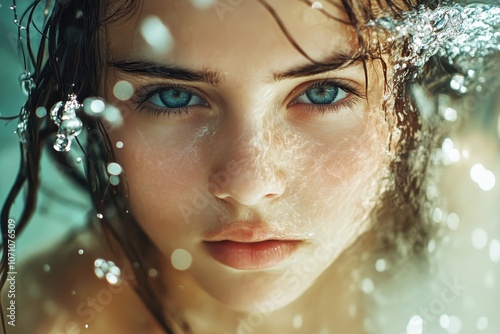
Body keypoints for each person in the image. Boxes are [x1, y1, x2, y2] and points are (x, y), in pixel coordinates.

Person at [1, 0, 499, 333]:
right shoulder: (43, 319)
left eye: (323, 92)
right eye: (173, 97)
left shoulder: (469, 196)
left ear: (404, 108)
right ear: (91, 109)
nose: (249, 184)